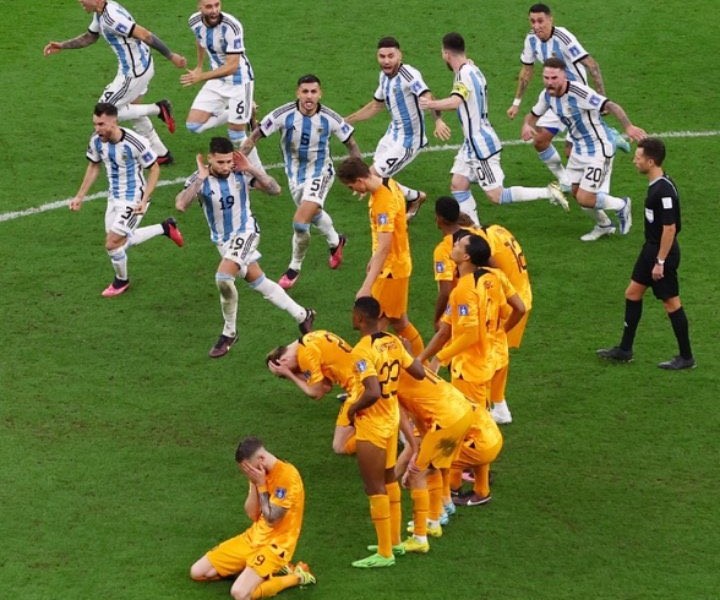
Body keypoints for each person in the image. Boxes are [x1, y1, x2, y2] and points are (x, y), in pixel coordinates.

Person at [175, 137, 315, 358]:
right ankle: (302, 315)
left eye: (228, 161)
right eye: (220, 162)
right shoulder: (199, 180)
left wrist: (251, 168)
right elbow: (181, 204)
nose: (225, 166)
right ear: (210, 158)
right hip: (223, 242)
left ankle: (229, 332)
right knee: (259, 282)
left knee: (223, 278)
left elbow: (275, 190)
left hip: (246, 232)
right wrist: (200, 180)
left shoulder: (240, 173)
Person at [507, 4, 632, 242]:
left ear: (551, 19)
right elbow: (526, 71)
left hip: (576, 100)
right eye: (532, 21)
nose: (536, 26)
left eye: (540, 21)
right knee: (540, 140)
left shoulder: (563, 37)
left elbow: (591, 65)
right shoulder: (531, 41)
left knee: (576, 153)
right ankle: (570, 184)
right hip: (555, 99)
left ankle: (609, 136)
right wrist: (517, 102)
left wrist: (601, 98)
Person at [418, 32, 568, 226]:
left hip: (480, 144)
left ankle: (549, 192)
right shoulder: (472, 69)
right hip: (471, 142)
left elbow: (456, 101)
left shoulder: (465, 74)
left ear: (446, 53)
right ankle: (475, 230)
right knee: (458, 184)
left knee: (496, 195)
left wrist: (431, 105)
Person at [240, 75, 360, 289]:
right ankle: (335, 241)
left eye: (313, 92)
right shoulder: (283, 114)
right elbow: (255, 136)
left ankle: (294, 267)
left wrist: (359, 175)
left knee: (299, 222)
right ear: (298, 93)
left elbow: (351, 144)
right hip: (295, 176)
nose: (309, 96)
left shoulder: (330, 118)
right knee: (312, 215)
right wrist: (238, 159)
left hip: (322, 173)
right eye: (305, 91)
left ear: (320, 94)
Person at [44, 0, 186, 165]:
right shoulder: (103, 9)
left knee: (103, 113)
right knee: (132, 107)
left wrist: (171, 56)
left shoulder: (112, 19)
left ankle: (158, 109)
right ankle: (161, 153)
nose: (80, 2)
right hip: (142, 64)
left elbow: (144, 34)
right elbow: (90, 37)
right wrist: (62, 45)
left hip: (133, 74)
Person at [597, 138, 695, 370]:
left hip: (662, 253)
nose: (634, 161)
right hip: (650, 249)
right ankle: (625, 349)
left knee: (671, 303)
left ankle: (686, 357)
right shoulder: (656, 185)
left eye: (638, 158)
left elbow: (670, 229)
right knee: (632, 293)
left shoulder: (664, 191)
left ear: (651, 162)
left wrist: (660, 261)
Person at [522, 57, 647, 235]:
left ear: (564, 76)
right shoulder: (546, 96)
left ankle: (622, 204)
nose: (549, 82)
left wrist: (628, 126)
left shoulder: (578, 93)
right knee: (575, 192)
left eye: (554, 78)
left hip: (598, 149)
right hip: (579, 150)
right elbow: (533, 114)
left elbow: (609, 105)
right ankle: (604, 225)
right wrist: (527, 125)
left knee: (585, 197)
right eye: (546, 78)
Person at [69, 103, 183, 297]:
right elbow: (93, 166)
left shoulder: (135, 142)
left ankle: (121, 281)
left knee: (112, 243)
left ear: (114, 121)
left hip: (134, 199)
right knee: (119, 242)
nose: (98, 129)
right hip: (113, 197)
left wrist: (144, 199)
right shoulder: (96, 141)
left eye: (101, 124)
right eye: (95, 124)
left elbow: (154, 168)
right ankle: (165, 228)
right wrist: (80, 196)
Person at [347, 296, 425, 568]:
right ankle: (393, 541)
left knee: (374, 486)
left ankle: (384, 553)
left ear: (360, 319)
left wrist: (352, 409)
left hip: (374, 423)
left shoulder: (361, 351)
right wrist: (407, 350)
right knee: (390, 478)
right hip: (392, 418)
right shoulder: (392, 341)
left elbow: (372, 391)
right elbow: (418, 373)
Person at [190, 436, 316, 600]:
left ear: (261, 459)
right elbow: (252, 514)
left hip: (276, 546)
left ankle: (298, 576)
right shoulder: (258, 476)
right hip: (253, 539)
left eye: (248, 469)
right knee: (198, 572)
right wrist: (254, 483)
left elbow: (272, 519)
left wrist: (262, 485)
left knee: (240, 593)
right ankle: (255, 571)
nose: (247, 473)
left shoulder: (287, 477)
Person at [345, 36, 451, 220]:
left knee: (371, 177)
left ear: (399, 56)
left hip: (409, 140)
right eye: (382, 56)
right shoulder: (384, 77)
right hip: (392, 134)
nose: (386, 61)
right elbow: (375, 106)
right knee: (376, 178)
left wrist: (438, 120)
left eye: (390, 56)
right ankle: (414, 197)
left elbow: (427, 96)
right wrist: (346, 121)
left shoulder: (408, 75)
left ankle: (413, 199)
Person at [419, 234, 525, 409]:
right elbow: (517, 308)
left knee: (473, 425)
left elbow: (470, 334)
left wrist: (438, 358)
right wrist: (500, 332)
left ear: (466, 257)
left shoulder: (463, 290)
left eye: (459, 245)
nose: (454, 246)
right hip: (492, 358)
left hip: (469, 368)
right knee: (480, 419)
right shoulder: (495, 276)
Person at [337, 158, 426, 355]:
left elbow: (385, 247)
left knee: (374, 327)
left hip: (391, 271)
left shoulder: (382, 204)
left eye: (353, 186)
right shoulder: (389, 182)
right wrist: (374, 256)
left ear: (361, 180)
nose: (354, 191)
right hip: (397, 264)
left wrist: (366, 286)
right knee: (399, 320)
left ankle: (377, 375)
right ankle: (423, 364)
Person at [182, 0, 263, 169]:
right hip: (217, 79)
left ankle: (258, 172)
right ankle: (247, 111)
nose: (214, 10)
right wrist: (198, 66)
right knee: (193, 126)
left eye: (217, 5)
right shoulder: (194, 21)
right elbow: (200, 40)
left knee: (236, 135)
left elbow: (232, 66)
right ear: (199, 7)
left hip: (240, 82)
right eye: (209, 6)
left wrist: (201, 77)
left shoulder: (232, 27)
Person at [265, 330, 358, 455]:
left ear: (284, 360)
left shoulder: (306, 354)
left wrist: (290, 375)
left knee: (339, 446)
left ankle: (380, 434)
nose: (297, 371)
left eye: (283, 376)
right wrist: (291, 372)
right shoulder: (311, 338)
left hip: (360, 388)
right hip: (365, 374)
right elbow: (326, 386)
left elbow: (316, 393)